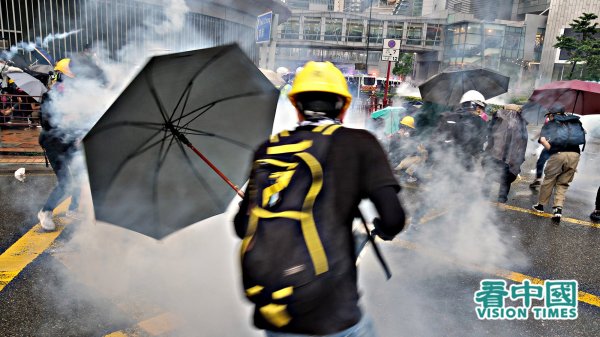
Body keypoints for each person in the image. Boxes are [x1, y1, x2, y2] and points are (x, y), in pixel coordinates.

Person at [234, 61, 406, 337]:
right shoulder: (359, 143)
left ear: (296, 106)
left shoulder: (269, 148)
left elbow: (242, 228)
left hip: (276, 313)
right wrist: (382, 229)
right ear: (344, 107)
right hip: (334, 314)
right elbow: (394, 218)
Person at [37, 58, 81, 231]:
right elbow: (46, 123)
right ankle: (45, 211)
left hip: (69, 141)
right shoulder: (50, 96)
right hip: (53, 143)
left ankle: (73, 208)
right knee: (66, 183)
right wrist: (64, 120)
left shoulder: (76, 95)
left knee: (80, 174)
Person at [532, 104, 586, 221]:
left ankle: (541, 205)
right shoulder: (574, 122)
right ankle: (557, 209)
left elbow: (542, 140)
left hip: (558, 154)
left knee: (549, 180)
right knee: (563, 183)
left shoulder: (551, 123)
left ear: (552, 114)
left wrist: (552, 149)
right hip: (575, 155)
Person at [482, 104, 528, 203]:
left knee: (489, 175)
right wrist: (520, 159)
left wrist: (487, 152)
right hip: (510, 159)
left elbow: (489, 136)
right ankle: (501, 201)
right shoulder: (521, 123)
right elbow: (523, 143)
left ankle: (483, 198)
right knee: (506, 180)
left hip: (494, 155)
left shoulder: (497, 118)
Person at [434, 90, 487, 170]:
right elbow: (479, 143)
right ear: (477, 107)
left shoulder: (448, 116)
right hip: (465, 162)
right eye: (482, 108)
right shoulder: (478, 120)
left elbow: (437, 137)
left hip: (444, 159)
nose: (482, 111)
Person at [392, 116, 428, 183]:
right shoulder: (396, 137)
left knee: (420, 158)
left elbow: (414, 150)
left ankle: (412, 176)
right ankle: (407, 176)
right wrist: (402, 138)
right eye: (405, 128)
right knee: (418, 159)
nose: (408, 131)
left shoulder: (410, 138)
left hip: (400, 161)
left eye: (409, 129)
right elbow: (397, 151)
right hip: (396, 162)